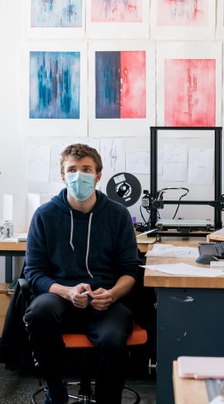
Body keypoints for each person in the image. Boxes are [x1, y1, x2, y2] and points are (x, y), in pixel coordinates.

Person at [23, 143, 142, 404]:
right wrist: (66, 291)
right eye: (72, 170)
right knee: (39, 311)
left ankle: (107, 401)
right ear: (63, 176)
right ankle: (56, 393)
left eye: (86, 169)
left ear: (98, 176)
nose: (79, 175)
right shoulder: (44, 215)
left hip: (105, 300)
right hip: (60, 297)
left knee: (113, 338)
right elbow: (34, 272)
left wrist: (111, 294)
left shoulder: (118, 215)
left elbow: (130, 270)